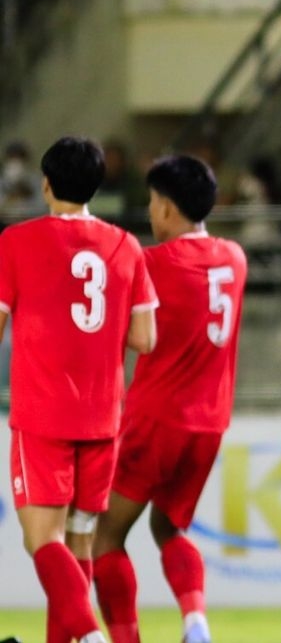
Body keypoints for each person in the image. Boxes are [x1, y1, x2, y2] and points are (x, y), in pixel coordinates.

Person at [0, 136, 158, 643]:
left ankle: (89, 635)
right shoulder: (125, 245)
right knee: (80, 542)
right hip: (102, 418)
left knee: (41, 541)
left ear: (45, 185)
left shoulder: (16, 242)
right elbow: (145, 338)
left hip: (42, 415)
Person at [89, 155, 247, 643]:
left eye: (153, 201)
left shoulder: (152, 264)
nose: (150, 211)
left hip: (156, 418)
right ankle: (195, 622)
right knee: (169, 529)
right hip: (209, 424)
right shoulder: (234, 259)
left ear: (167, 208)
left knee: (105, 537)